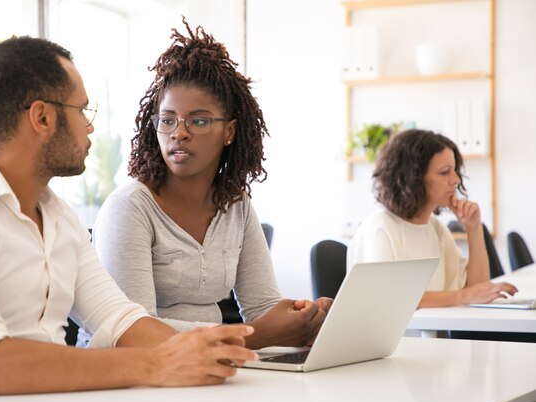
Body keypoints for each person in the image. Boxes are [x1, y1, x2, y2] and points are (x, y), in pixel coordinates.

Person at [0, 36, 258, 402]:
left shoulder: (60, 218)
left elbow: (121, 321)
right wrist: (157, 364)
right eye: (82, 111)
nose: (90, 128)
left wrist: (210, 349)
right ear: (42, 117)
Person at [87, 19, 331, 350]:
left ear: (229, 131)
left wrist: (304, 317)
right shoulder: (129, 208)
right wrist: (252, 337)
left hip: (207, 370)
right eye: (168, 120)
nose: (179, 133)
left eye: (198, 120)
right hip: (137, 379)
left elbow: (262, 307)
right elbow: (134, 332)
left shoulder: (236, 205)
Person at [346, 129, 517, 308]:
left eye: (455, 171)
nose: (456, 180)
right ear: (413, 178)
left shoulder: (436, 228)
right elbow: (390, 299)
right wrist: (463, 296)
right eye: (444, 172)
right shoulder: (381, 227)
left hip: (433, 332)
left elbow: (478, 290)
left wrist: (474, 228)